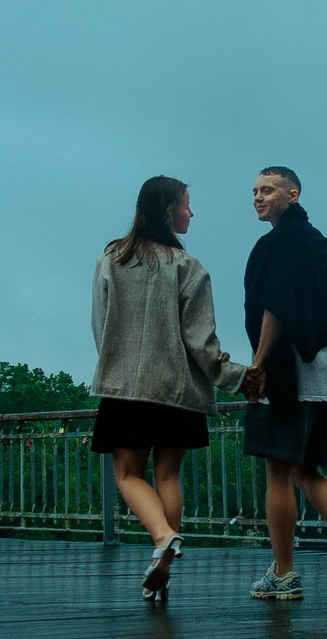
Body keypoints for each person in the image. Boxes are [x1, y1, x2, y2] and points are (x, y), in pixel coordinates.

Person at [90, 176, 255, 600]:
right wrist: (237, 377)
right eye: (186, 205)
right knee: (168, 473)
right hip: (177, 391)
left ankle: (162, 537)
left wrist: (115, 364)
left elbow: (101, 323)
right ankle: (163, 558)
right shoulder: (190, 268)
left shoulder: (112, 257)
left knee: (127, 474)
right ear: (168, 211)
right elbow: (202, 343)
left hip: (125, 387)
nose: (191, 212)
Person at [240, 166, 327, 600]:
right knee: (306, 468)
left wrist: (258, 365)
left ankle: (283, 574)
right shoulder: (315, 241)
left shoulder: (278, 243)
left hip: (290, 372)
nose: (258, 197)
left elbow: (275, 307)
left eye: (268, 190)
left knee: (278, 472)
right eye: (255, 191)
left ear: (293, 194)